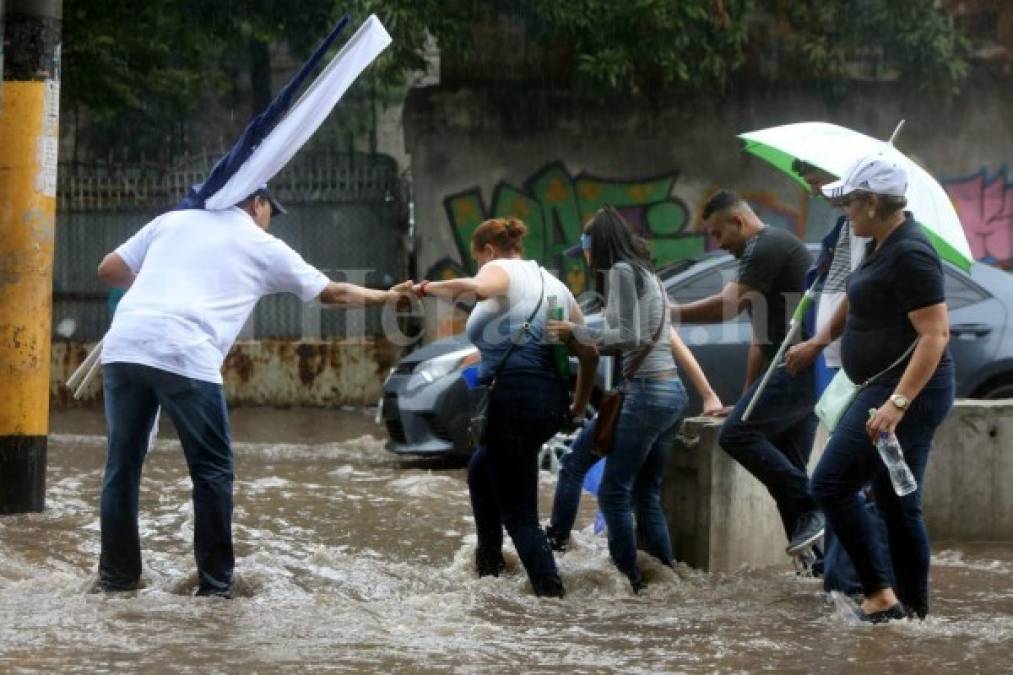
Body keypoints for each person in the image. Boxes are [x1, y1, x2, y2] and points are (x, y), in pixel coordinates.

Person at [96, 186, 410, 597]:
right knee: (212, 471)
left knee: (122, 467)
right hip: (185, 352)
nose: (268, 220)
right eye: (269, 212)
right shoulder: (260, 243)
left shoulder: (172, 221)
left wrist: (158, 283)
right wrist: (387, 296)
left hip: (124, 346)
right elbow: (332, 292)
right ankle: (215, 588)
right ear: (257, 204)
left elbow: (109, 268)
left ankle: (117, 582)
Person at [412, 217, 598, 598]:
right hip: (550, 401)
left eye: (478, 258)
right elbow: (589, 351)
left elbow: (476, 287)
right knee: (482, 468)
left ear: (490, 251)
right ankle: (490, 570)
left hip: (515, 400)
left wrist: (424, 287)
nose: (481, 266)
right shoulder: (555, 285)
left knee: (520, 516)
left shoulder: (501, 269)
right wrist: (578, 407)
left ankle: (552, 598)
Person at [805, 154, 955, 622]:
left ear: (872, 202)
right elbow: (857, 296)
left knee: (830, 482)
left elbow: (936, 334)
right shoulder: (879, 242)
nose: (846, 212)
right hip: (881, 385)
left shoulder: (911, 251)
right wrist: (819, 341)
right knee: (895, 502)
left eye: (850, 203)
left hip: (904, 391)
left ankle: (880, 593)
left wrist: (898, 403)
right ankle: (913, 612)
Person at [669, 191, 823, 557]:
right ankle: (819, 572)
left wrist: (670, 314)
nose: (718, 244)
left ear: (738, 222)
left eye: (719, 234)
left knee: (737, 435)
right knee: (787, 476)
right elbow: (760, 340)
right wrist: (746, 398)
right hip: (793, 373)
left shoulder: (764, 246)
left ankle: (818, 506)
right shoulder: (768, 253)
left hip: (798, 370)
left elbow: (729, 305)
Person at [546, 205, 689, 593]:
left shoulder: (623, 273)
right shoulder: (648, 274)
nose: (587, 260)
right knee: (644, 492)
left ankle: (630, 581)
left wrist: (574, 330)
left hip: (645, 395)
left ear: (598, 246)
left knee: (612, 491)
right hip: (670, 393)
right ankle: (667, 578)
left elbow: (631, 337)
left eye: (587, 251)